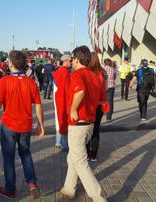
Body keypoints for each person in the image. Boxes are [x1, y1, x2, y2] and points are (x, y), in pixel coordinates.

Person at [0, 50, 44, 200]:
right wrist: (41, 124)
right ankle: (32, 184)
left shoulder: (4, 81)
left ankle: (10, 189)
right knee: (26, 154)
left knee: (9, 158)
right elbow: (38, 106)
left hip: (9, 125)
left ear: (11, 64)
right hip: (26, 125)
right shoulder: (31, 82)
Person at [60, 46, 107, 202]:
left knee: (80, 161)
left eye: (73, 59)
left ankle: (98, 196)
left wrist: (74, 108)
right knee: (73, 157)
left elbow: (80, 92)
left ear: (77, 59)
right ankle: (69, 189)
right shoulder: (96, 76)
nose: (72, 61)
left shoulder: (76, 75)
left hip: (78, 124)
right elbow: (101, 99)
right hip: (89, 124)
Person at [87, 53, 108, 162]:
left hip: (90, 105)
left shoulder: (88, 72)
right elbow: (106, 88)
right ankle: (93, 154)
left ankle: (86, 153)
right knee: (96, 129)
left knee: (87, 129)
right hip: (100, 104)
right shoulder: (103, 72)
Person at [52, 55, 71, 152]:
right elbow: (68, 89)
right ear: (66, 61)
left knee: (58, 120)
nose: (71, 62)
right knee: (63, 120)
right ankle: (64, 144)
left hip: (58, 99)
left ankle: (58, 142)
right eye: (70, 61)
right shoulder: (65, 72)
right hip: (64, 99)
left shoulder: (57, 71)